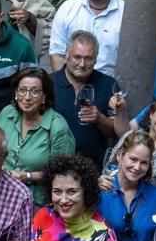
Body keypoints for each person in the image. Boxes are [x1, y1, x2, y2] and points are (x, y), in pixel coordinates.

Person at [0, 66, 77, 206]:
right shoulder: (7, 113)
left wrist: (28, 176)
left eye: (35, 92)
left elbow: (62, 174)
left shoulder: (57, 127)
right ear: (16, 93)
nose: (27, 97)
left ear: (44, 96)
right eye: (22, 90)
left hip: (35, 203)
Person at [50, 31, 127, 169]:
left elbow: (118, 134)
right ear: (67, 56)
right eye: (77, 57)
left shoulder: (109, 85)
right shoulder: (49, 83)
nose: (82, 64)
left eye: (88, 58)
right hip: (54, 167)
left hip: (92, 169)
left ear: (96, 60)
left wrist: (99, 119)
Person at [96, 130, 156, 241]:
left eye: (144, 163)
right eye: (133, 159)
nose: (137, 167)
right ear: (120, 156)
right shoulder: (102, 191)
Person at [48, 0, 125, 76]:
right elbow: (57, 53)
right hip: (72, 82)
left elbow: (130, 61)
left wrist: (111, 89)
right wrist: (65, 86)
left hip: (110, 86)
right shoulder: (68, 9)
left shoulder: (125, 14)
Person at [105, 94, 156, 196]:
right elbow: (109, 169)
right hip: (116, 200)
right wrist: (104, 181)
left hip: (153, 209)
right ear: (151, 114)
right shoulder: (130, 136)